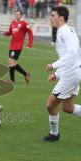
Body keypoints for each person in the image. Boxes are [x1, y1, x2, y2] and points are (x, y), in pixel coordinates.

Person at [43, 6, 81, 142]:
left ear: (61, 18)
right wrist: (57, 74)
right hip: (71, 72)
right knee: (68, 107)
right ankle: (54, 134)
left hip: (71, 74)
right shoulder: (64, 31)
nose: (50, 18)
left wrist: (53, 66)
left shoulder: (65, 31)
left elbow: (72, 53)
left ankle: (54, 134)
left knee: (50, 105)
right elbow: (69, 56)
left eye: (53, 15)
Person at [3, 10, 33, 84]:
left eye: (18, 14)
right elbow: (10, 32)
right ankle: (25, 74)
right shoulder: (13, 23)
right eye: (16, 14)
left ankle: (12, 80)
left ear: (21, 15)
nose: (17, 15)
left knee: (11, 61)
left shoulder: (24, 23)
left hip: (18, 46)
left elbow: (30, 33)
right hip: (12, 45)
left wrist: (29, 44)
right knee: (12, 62)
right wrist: (5, 33)